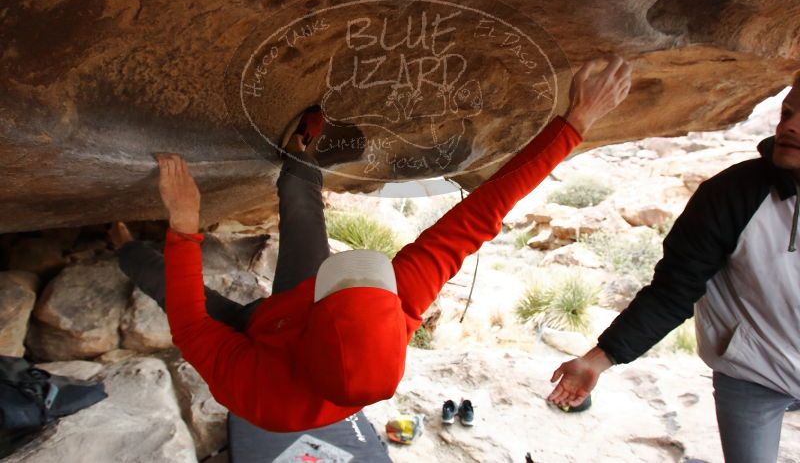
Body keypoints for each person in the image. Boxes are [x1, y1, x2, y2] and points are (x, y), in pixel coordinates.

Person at [117, 56, 631, 433]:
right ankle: (299, 155)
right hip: (296, 323)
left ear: (320, 308)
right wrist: (575, 123)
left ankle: (116, 243)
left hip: (263, 346)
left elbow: (187, 323)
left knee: (159, 278)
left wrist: (184, 224)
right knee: (301, 205)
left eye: (335, 283)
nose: (340, 267)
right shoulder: (398, 308)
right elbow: (482, 213)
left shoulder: (258, 391)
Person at [548, 71, 800, 463]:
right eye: (787, 111)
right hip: (752, 372)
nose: (790, 126)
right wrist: (598, 359)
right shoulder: (732, 196)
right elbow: (673, 291)